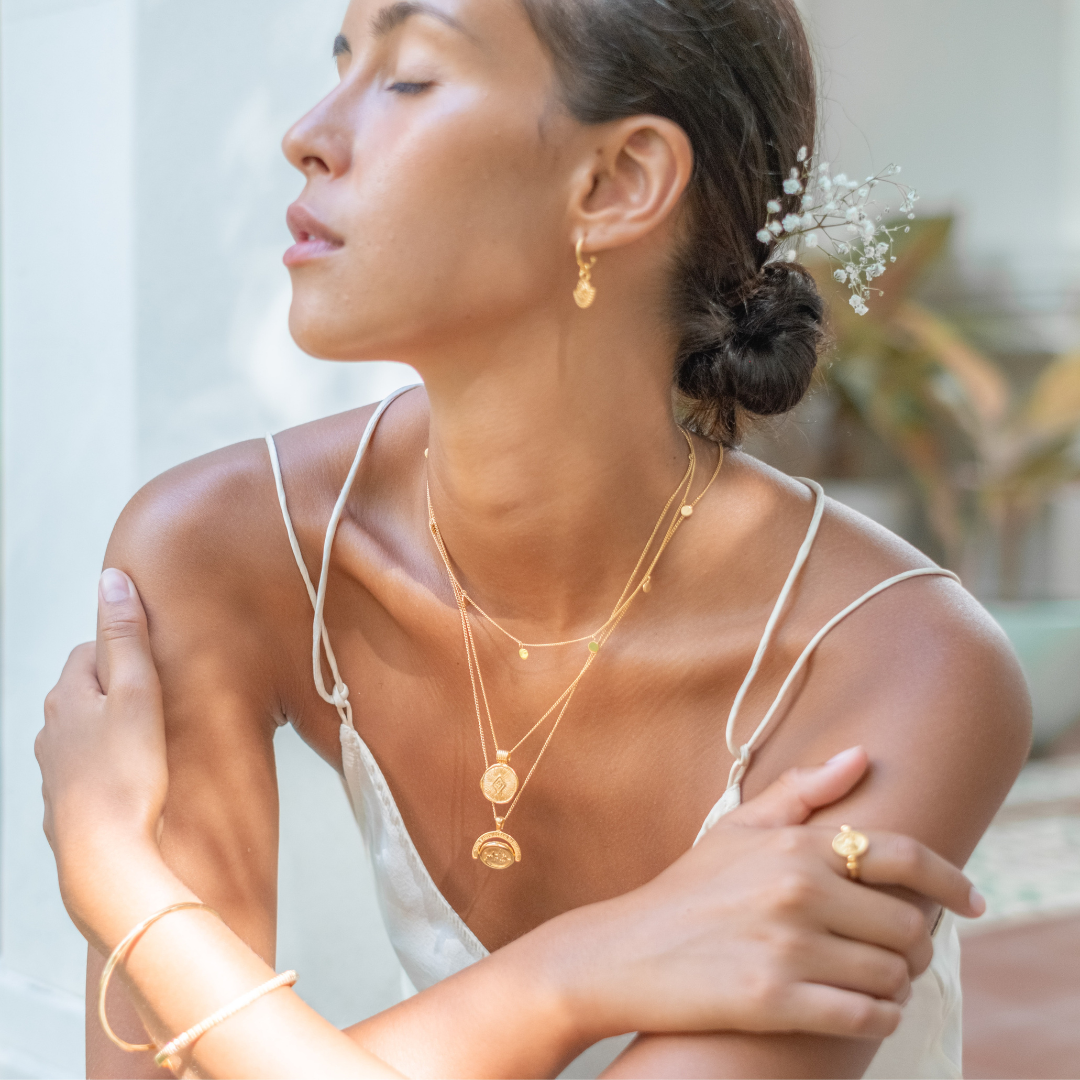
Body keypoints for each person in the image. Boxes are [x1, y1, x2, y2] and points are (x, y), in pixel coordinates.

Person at [38, 0, 1031, 1075]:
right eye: (340, 58)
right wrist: (583, 969)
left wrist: (116, 874)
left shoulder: (904, 663)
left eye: (408, 76)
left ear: (616, 183)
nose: (308, 133)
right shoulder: (215, 549)